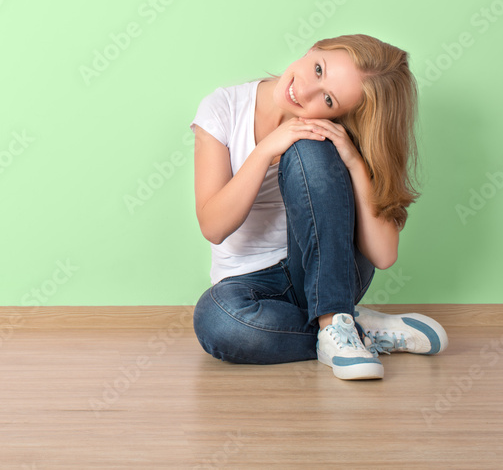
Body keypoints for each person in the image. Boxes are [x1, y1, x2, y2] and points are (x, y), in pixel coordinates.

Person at [189, 33, 447, 380]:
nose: (305, 90)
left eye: (327, 99)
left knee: (309, 143)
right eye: (318, 69)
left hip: (330, 270)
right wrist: (266, 150)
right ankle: (347, 327)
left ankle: (334, 321)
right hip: (251, 287)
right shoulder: (223, 108)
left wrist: (354, 161)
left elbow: (383, 256)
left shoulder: (335, 132)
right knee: (216, 320)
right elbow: (213, 226)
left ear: (343, 112)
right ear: (314, 48)